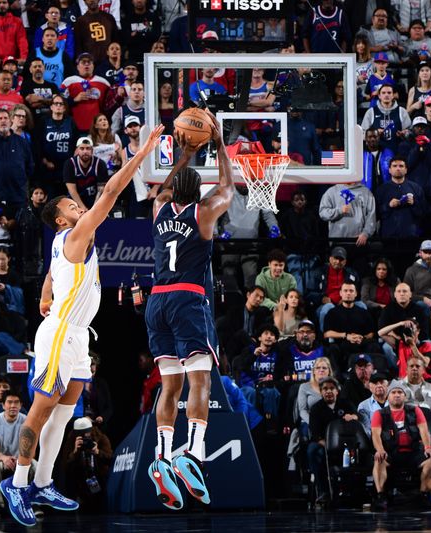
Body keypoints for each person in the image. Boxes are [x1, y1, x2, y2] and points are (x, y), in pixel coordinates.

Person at [0, 126, 163, 525]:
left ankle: (41, 482)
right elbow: (108, 195)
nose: (79, 208)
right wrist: (140, 156)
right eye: (72, 208)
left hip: (76, 337)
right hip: (59, 334)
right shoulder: (73, 236)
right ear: (61, 219)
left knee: (63, 416)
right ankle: (17, 484)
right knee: (39, 413)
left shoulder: (61, 245)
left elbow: (54, 275)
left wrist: (44, 292)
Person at [142, 111, 233, 511]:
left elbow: (163, 187)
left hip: (156, 301)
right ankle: (192, 454)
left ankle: (161, 456)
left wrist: (185, 152)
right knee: (202, 383)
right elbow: (228, 187)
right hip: (187, 300)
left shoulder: (159, 207)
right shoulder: (204, 213)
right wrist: (219, 144)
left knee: (169, 385)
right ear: (199, 194)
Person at [370, 382, 431, 510]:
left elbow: (424, 430)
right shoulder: (379, 414)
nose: (397, 395)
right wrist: (380, 450)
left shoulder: (415, 410)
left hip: (413, 452)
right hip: (391, 453)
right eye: (393, 392)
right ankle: (380, 496)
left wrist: (428, 448)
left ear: (405, 396)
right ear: (388, 396)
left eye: (400, 392)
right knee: (378, 459)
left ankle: (423, 495)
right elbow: (375, 435)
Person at [307, 376, 358, 503]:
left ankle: (353, 491)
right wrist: (327, 445)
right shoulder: (316, 409)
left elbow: (358, 417)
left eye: (331, 388)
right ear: (321, 391)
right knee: (313, 451)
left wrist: (352, 416)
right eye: (325, 389)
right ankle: (323, 490)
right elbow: (315, 434)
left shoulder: (346, 404)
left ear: (337, 390)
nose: (328, 391)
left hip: (346, 444)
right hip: (323, 444)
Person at [0, 391, 32, 519]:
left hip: (21, 458)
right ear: (3, 405)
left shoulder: (27, 421)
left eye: (16, 402)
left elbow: (31, 448)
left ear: (21, 405)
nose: (13, 406)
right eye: (9, 402)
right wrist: (5, 458)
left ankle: (32, 503)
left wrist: (20, 460)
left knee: (36, 465)